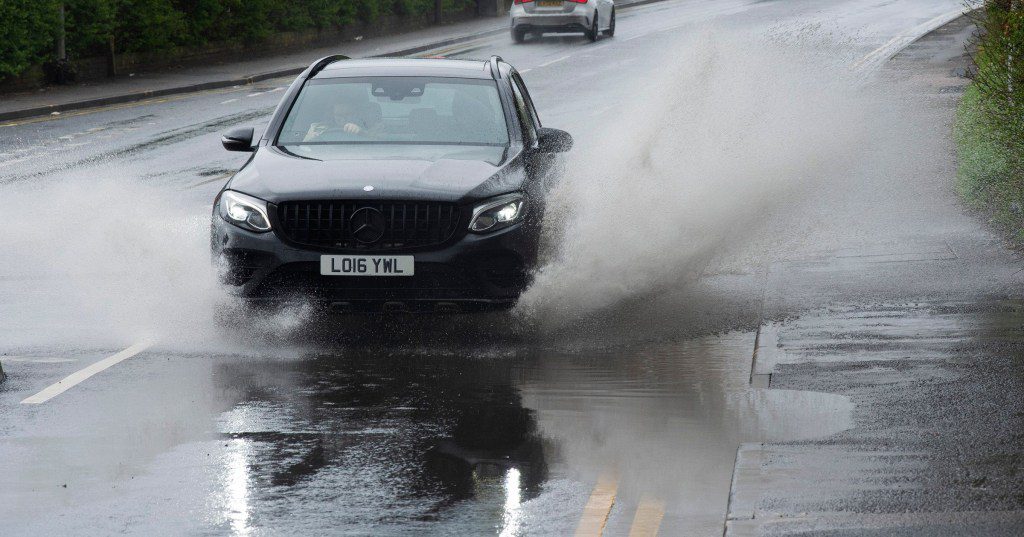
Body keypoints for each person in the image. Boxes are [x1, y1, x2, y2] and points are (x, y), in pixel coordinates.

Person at [303, 94, 381, 141]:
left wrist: (361, 132)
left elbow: (381, 146)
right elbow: (302, 148)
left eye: (347, 114)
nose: (343, 119)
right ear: (332, 115)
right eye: (339, 115)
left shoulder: (371, 127)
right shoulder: (317, 128)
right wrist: (312, 139)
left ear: (356, 113)